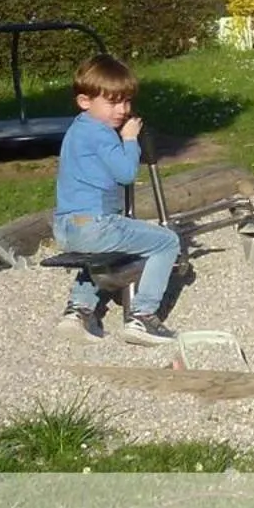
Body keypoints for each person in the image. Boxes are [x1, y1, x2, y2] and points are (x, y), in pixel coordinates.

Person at [53, 53, 184, 345]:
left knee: (97, 254)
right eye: (113, 103)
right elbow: (126, 173)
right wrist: (129, 139)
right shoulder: (102, 134)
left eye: (126, 102)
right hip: (96, 225)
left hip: (66, 227)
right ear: (84, 101)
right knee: (166, 241)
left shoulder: (78, 129)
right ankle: (143, 317)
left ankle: (78, 312)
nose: (122, 110)